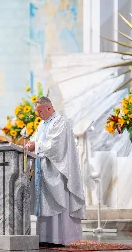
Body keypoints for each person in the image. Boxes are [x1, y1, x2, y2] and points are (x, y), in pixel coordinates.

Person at [26, 97, 85, 247]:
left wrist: (36, 145)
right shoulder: (43, 124)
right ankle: (46, 237)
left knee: (58, 201)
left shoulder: (60, 122)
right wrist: (30, 144)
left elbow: (56, 146)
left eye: (40, 111)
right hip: (44, 169)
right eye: (37, 112)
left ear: (49, 108)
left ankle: (61, 238)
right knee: (46, 203)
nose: (38, 114)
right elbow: (36, 140)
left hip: (58, 170)